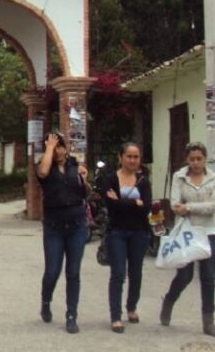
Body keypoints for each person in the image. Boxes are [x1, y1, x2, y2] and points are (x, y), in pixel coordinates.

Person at [160, 142, 215, 336]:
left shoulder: (212, 178)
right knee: (185, 275)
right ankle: (168, 301)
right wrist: (185, 208)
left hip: (209, 231)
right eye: (192, 159)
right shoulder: (179, 177)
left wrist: (189, 207)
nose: (195, 163)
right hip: (187, 232)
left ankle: (208, 321)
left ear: (205, 159)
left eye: (199, 159)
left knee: (209, 277)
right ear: (187, 159)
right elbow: (175, 204)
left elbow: (212, 207)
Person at [36, 132, 89, 334]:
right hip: (54, 226)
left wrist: (85, 179)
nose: (57, 150)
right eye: (53, 146)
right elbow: (41, 173)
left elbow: (85, 193)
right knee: (52, 271)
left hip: (76, 225)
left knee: (73, 272)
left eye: (60, 146)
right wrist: (48, 148)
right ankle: (46, 301)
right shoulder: (45, 168)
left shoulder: (75, 167)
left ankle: (71, 315)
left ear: (66, 148)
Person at [100, 142, 152, 333]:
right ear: (120, 157)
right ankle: (115, 316)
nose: (132, 160)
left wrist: (122, 202)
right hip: (117, 232)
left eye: (136, 157)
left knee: (136, 272)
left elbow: (146, 207)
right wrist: (134, 203)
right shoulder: (110, 179)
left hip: (140, 232)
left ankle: (131, 307)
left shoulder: (143, 181)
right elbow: (111, 207)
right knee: (118, 273)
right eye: (129, 156)